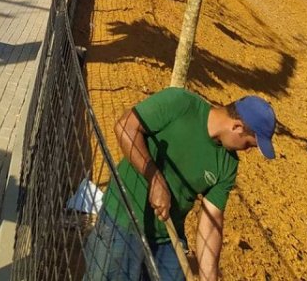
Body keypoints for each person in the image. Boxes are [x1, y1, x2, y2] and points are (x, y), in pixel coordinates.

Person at [83, 88, 276, 281]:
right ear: (237, 127)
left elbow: (211, 223)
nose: (247, 151)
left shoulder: (228, 164)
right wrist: (154, 177)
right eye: (249, 144)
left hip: (168, 236)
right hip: (122, 221)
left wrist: (208, 278)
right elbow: (125, 127)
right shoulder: (180, 103)